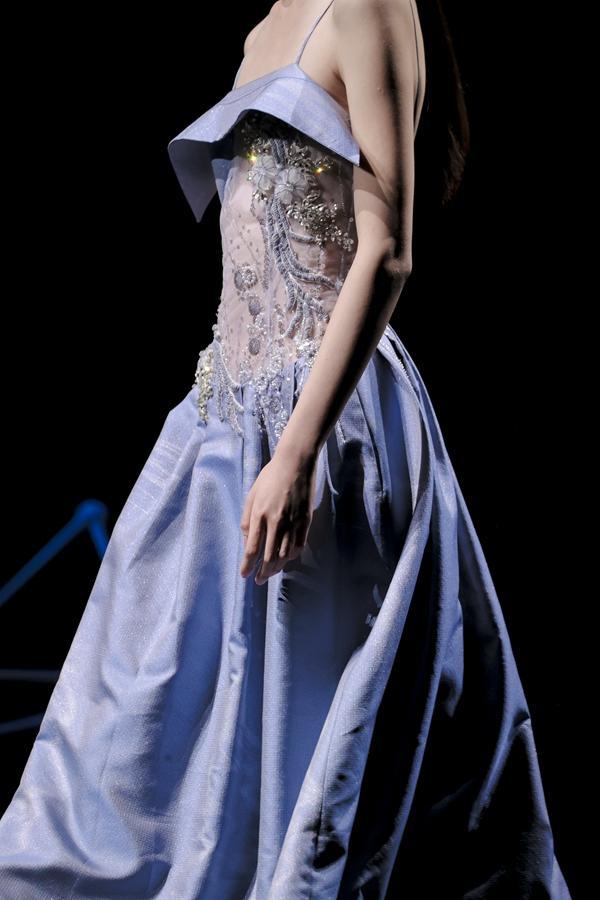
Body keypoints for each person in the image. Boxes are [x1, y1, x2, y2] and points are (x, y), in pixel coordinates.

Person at [0, 1, 572, 897]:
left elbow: (387, 250)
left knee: (321, 718)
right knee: (144, 717)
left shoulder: (371, 6)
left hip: (328, 430)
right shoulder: (267, 25)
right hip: (226, 422)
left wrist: (298, 452)